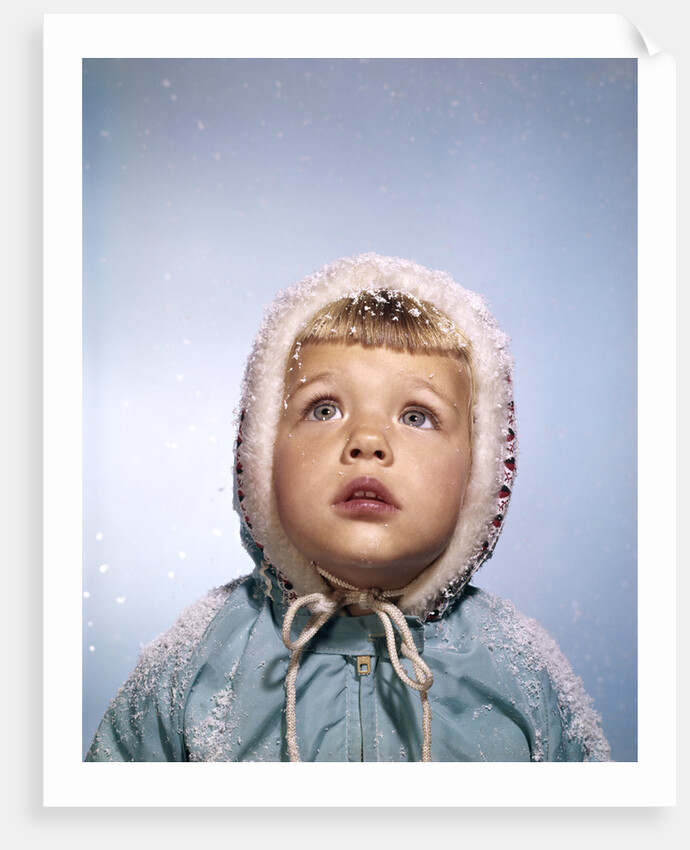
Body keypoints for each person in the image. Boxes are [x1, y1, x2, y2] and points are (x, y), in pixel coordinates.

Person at [85, 253, 610, 762]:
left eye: (417, 416)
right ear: (261, 453)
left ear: (480, 472)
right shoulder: (192, 660)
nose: (367, 442)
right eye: (324, 409)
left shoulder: (521, 670)